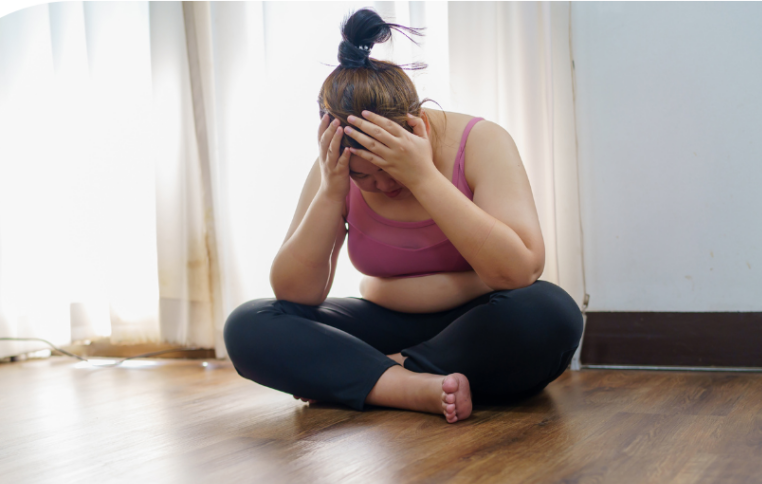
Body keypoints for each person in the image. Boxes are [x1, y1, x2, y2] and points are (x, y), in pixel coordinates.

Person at [224, 8, 583, 424]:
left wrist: (424, 178)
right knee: (250, 324)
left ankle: (370, 375)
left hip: (477, 323)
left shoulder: (482, 142)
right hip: (384, 320)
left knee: (550, 313)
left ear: (418, 128)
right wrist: (331, 193)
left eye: (391, 170)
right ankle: (412, 385)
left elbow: (519, 271)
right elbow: (295, 293)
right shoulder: (336, 170)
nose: (384, 186)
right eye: (366, 177)